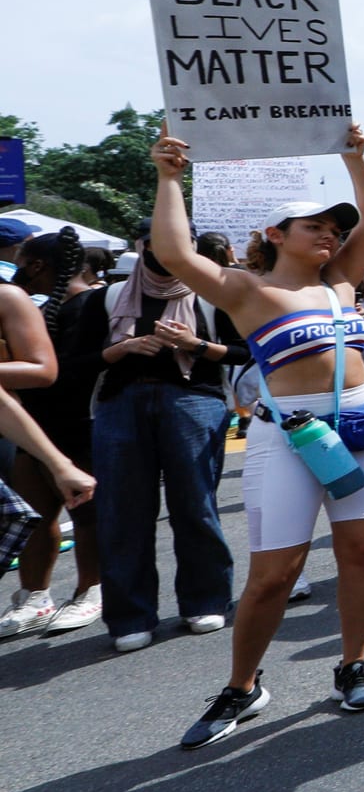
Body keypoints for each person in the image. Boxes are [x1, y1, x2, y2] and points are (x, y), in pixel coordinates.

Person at [147, 127, 364, 745]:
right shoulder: (246, 289)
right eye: (311, 224)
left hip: (363, 429)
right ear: (274, 234)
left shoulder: (344, 278)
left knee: (363, 553)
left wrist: (354, 158)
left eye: (331, 226)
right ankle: (242, 687)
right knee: (273, 575)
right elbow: (176, 253)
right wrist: (169, 176)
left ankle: (353, 663)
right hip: (289, 436)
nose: (328, 233)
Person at [83, 218, 242, 653]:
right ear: (143, 246)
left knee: (195, 504)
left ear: (191, 246)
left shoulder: (215, 293)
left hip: (193, 401)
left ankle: (206, 599)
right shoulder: (109, 297)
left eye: (179, 242)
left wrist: (196, 345)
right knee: (123, 513)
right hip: (121, 404)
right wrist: (121, 349)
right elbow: (75, 360)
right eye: (158, 243)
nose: (167, 251)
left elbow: (245, 350)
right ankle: (131, 615)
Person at [0, 233, 108, 637]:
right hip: (36, 421)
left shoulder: (93, 303)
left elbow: (60, 369)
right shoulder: (45, 306)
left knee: (85, 514)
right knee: (34, 514)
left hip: (79, 422)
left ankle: (89, 590)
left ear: (37, 266)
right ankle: (35, 595)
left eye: (21, 262)